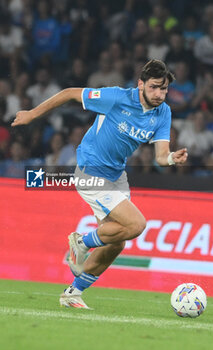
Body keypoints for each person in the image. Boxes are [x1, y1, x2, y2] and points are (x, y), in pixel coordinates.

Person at [11, 59, 188, 309]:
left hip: (117, 175)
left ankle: (72, 293)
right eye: (154, 87)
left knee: (117, 242)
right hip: (91, 170)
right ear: (141, 84)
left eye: (164, 89)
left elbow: (160, 155)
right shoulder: (116, 97)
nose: (160, 94)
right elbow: (70, 93)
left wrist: (171, 158)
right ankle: (81, 243)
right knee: (136, 224)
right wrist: (32, 114)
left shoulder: (163, 113)